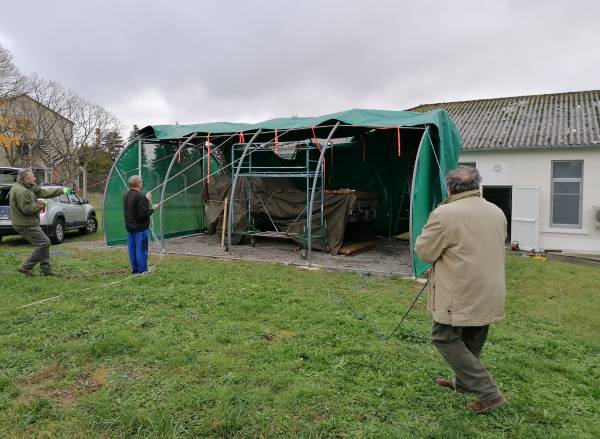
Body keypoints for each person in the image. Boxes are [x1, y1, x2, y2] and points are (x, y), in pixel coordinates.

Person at [414, 166, 508, 414]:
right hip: (490, 289)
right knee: (472, 337)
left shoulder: (445, 214)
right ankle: (464, 384)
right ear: (477, 185)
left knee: (443, 337)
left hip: (460, 290)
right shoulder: (496, 211)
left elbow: (424, 251)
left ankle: (489, 394)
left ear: (451, 187)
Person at [9, 169, 72, 276]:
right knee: (44, 243)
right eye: (32, 177)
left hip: (29, 222)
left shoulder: (29, 186)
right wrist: (41, 204)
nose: (34, 178)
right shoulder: (21, 191)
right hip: (25, 224)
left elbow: (42, 192)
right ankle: (26, 267)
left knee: (44, 243)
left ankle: (46, 270)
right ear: (26, 179)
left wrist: (62, 191)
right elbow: (27, 209)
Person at [123, 175, 158, 274]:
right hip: (140, 229)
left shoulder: (126, 195)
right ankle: (143, 271)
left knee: (133, 250)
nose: (142, 183)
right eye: (141, 182)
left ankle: (135, 269)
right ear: (138, 184)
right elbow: (143, 213)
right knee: (141, 250)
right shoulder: (140, 196)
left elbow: (135, 207)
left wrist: (146, 199)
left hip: (130, 228)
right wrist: (153, 208)